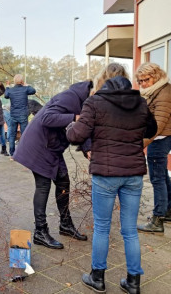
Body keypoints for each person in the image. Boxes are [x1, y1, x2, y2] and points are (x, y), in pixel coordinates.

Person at [67, 76, 157, 294]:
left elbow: (76, 135)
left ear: (105, 87)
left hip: (106, 174)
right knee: (130, 231)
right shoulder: (141, 104)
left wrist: (71, 126)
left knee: (102, 227)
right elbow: (151, 130)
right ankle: (133, 282)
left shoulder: (95, 102)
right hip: (133, 175)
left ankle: (97, 278)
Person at [13, 80, 91, 250]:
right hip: (39, 146)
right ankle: (40, 231)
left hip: (52, 147)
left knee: (64, 182)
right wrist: (75, 117)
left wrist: (88, 149)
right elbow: (47, 117)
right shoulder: (70, 97)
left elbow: (80, 130)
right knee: (43, 186)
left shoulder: (83, 102)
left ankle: (65, 224)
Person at [135, 63, 171, 233]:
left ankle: (157, 220)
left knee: (157, 179)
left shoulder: (164, 93)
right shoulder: (155, 91)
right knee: (163, 176)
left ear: (155, 76)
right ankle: (168, 211)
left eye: (146, 80)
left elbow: (157, 125)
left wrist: (139, 144)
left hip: (159, 139)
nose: (143, 84)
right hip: (160, 139)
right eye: (140, 81)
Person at [4, 74, 36, 156]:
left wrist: (7, 86)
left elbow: (6, 95)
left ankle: (12, 154)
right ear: (22, 81)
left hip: (13, 115)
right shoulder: (25, 89)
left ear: (14, 81)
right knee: (24, 134)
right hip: (23, 114)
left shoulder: (10, 90)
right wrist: (26, 85)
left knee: (12, 135)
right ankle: (24, 152)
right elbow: (33, 90)